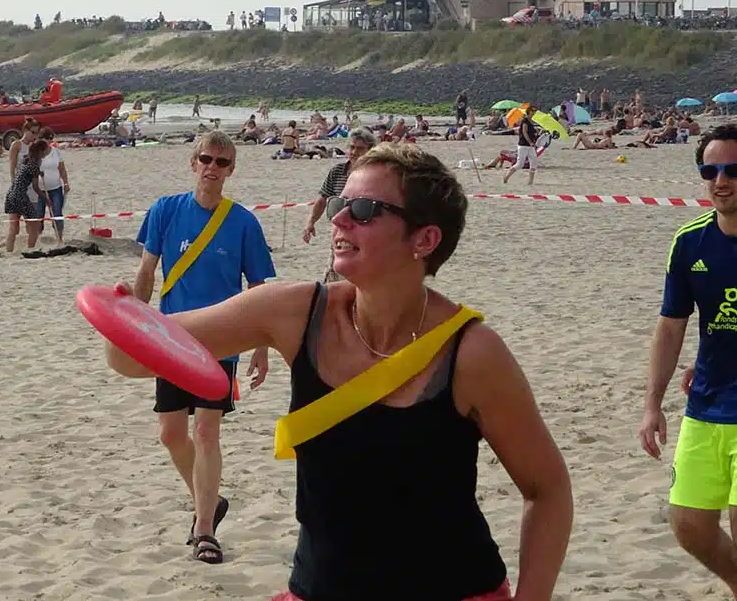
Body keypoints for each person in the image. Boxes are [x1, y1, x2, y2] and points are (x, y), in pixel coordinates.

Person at [107, 142, 572, 596]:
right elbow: (131, 357)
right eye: (339, 204)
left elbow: (547, 488)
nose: (338, 219)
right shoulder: (295, 312)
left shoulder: (472, 352)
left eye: (364, 210)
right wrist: (119, 316)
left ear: (425, 240)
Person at [129, 130, 275, 565]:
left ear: (231, 170)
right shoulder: (165, 210)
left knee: (207, 431)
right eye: (207, 159)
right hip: (172, 337)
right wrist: (132, 324)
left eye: (222, 162)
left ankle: (205, 529)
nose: (213, 168)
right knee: (170, 433)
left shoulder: (244, 222)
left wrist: (261, 346)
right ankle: (208, 499)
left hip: (223, 339)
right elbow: (147, 272)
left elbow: (259, 288)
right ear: (193, 162)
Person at [639, 124, 737, 596]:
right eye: (710, 171)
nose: (722, 181)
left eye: (733, 170)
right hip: (706, 404)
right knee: (690, 526)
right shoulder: (690, 241)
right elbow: (671, 325)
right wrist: (652, 404)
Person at [302, 128, 376, 283]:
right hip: (340, 234)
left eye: (360, 148)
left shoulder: (376, 176)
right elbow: (323, 199)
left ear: (370, 150)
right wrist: (310, 222)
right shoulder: (337, 172)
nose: (354, 152)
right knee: (335, 277)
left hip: (365, 236)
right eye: (352, 147)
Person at [3, 138, 47, 253]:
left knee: (13, 227)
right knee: (35, 224)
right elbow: (36, 187)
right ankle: (31, 249)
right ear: (41, 151)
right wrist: (46, 199)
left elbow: (26, 172)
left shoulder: (26, 159)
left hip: (11, 193)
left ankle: (9, 251)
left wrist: (38, 173)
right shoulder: (34, 165)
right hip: (20, 195)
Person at [36, 128, 70, 244]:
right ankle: (38, 238)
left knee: (57, 213)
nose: (50, 141)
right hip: (39, 190)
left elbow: (62, 168)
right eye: (48, 138)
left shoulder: (55, 152)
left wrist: (66, 183)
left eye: (51, 139)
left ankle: (59, 239)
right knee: (39, 215)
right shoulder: (36, 152)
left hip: (55, 188)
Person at [503, 105, 540, 185]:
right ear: (529, 111)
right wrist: (530, 142)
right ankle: (506, 176)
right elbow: (524, 132)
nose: (534, 112)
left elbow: (530, 132)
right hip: (523, 145)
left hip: (531, 146)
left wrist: (535, 131)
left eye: (535, 111)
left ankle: (530, 182)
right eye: (533, 111)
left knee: (534, 162)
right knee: (520, 164)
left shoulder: (531, 121)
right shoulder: (525, 120)